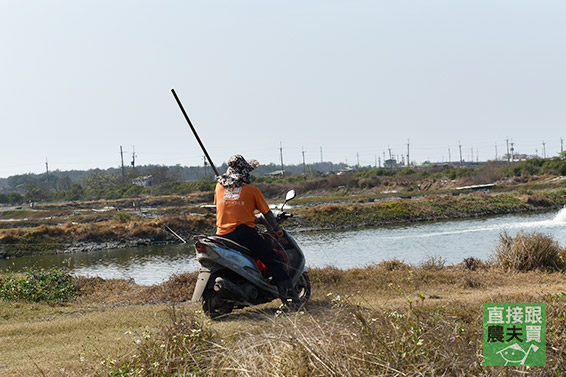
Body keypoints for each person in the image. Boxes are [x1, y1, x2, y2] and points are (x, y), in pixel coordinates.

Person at [214, 155, 297, 303]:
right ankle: (290, 300)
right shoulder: (252, 190)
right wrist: (277, 229)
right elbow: (268, 214)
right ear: (245, 172)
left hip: (221, 235)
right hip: (244, 234)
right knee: (274, 261)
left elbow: (227, 208)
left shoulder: (219, 187)